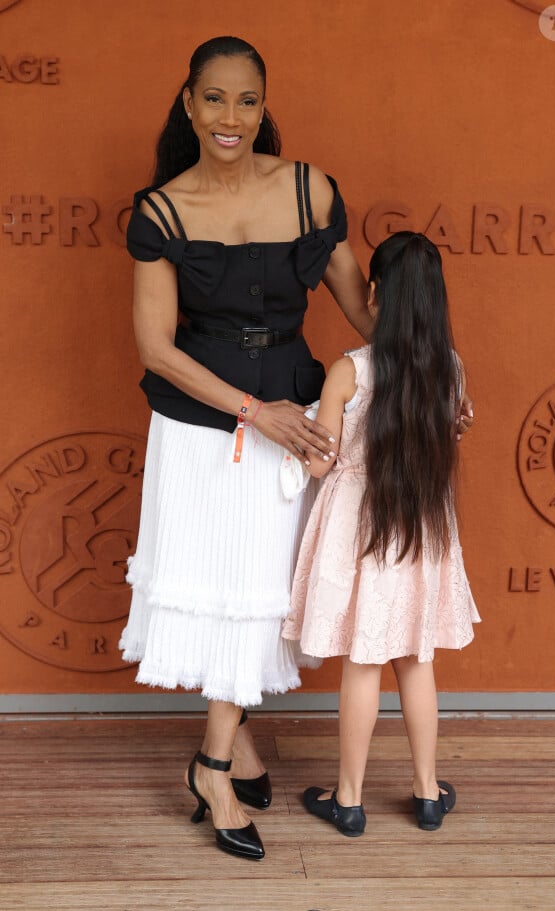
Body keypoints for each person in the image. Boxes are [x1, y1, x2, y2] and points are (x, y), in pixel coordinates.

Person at [118, 36, 375, 861]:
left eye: (247, 101)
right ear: (188, 102)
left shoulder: (309, 189)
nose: (231, 116)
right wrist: (250, 412)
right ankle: (215, 766)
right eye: (215, 98)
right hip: (204, 429)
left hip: (293, 416)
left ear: (264, 109)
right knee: (229, 587)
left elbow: (364, 308)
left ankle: (234, 750)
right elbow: (156, 348)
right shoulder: (160, 209)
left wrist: (429, 368)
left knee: (262, 590)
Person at [282, 231, 480, 835]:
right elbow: (450, 434)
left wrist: (292, 440)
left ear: (375, 292)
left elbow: (320, 461)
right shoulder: (449, 367)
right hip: (419, 524)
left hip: (360, 526)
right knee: (414, 661)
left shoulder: (350, 370)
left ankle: (348, 799)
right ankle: (425, 793)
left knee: (363, 664)